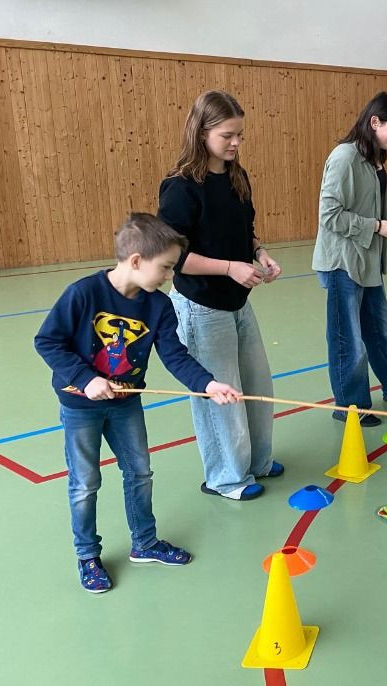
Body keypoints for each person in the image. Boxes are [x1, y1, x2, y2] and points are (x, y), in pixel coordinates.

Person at [34, 213, 241, 593]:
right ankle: (87, 555)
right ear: (135, 261)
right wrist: (86, 379)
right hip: (80, 406)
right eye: (165, 267)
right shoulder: (83, 294)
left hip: (126, 403)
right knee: (85, 483)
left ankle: (145, 543)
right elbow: (47, 341)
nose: (169, 276)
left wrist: (208, 384)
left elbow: (175, 355)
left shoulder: (158, 306)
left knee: (140, 473)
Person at [158, 90, 282, 501]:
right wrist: (230, 268)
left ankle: (258, 461)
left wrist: (260, 254)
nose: (235, 143)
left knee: (258, 386)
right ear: (202, 132)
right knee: (221, 396)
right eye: (227, 135)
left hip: (237, 303)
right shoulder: (180, 187)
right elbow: (175, 257)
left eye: (240, 135)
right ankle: (226, 477)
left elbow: (245, 232)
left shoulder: (236, 177)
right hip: (200, 307)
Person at [312, 91, 387, 427]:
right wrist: (377, 226)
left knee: (381, 330)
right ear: (374, 122)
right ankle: (351, 406)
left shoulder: (374, 158)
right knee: (347, 339)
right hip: (343, 264)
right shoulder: (344, 157)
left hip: (367, 262)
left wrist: (386, 217)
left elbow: (362, 202)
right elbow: (329, 215)